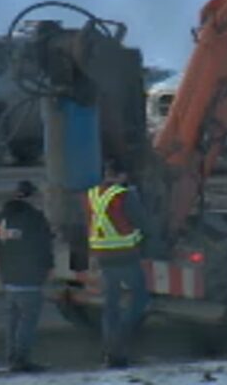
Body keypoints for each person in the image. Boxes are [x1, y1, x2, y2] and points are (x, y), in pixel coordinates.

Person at [85, 158, 149, 369]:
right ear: (122, 175)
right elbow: (141, 221)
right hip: (125, 256)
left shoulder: (92, 194)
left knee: (110, 305)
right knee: (139, 300)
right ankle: (118, 344)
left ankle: (110, 351)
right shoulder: (124, 195)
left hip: (102, 257)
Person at [0, 180, 53, 373]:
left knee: (13, 321)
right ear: (32, 197)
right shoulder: (34, 217)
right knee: (27, 321)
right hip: (29, 278)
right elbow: (43, 246)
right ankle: (22, 360)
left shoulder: (1, 218)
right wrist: (47, 269)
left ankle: (12, 358)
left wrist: (2, 269)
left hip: (9, 277)